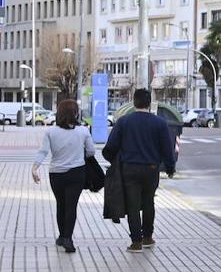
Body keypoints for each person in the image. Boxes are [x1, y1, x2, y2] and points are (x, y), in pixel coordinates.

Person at [103, 89, 177, 253]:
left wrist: (113, 162)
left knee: (133, 205)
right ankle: (148, 237)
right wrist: (170, 168)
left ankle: (136, 242)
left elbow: (110, 147)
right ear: (149, 103)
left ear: (134, 103)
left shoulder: (124, 122)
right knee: (149, 201)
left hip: (129, 168)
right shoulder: (160, 123)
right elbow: (167, 149)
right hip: (151, 169)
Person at [31, 100, 97, 254]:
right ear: (75, 113)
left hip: (56, 174)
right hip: (76, 173)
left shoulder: (51, 132)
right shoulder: (83, 131)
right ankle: (68, 238)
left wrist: (35, 168)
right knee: (71, 206)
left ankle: (62, 236)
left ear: (59, 113)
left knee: (61, 204)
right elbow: (91, 152)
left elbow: (43, 151)